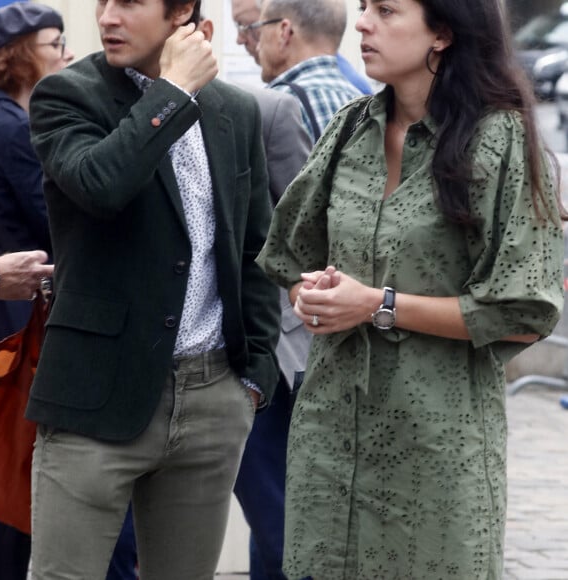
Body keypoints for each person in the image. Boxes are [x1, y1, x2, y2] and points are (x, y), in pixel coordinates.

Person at [256, 0, 567, 578]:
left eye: (388, 11)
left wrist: (378, 305)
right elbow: (292, 257)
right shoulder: (349, 129)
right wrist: (318, 295)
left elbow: (523, 312)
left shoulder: (501, 141)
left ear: (444, 32)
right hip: (329, 442)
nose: (365, 24)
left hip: (435, 448)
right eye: (365, 8)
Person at [27, 0, 280, 578]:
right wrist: (172, 92)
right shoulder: (67, 95)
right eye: (103, 2)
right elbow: (100, 186)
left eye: (130, 2)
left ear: (181, 13)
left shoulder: (237, 112)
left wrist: (253, 375)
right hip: (96, 392)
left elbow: (255, 247)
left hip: (214, 393)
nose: (108, 17)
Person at [200, 14, 313, 580]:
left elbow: (306, 236)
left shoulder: (268, 110)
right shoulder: (111, 119)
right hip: (161, 365)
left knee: (277, 520)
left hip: (258, 357)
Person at [0, 4, 73, 579]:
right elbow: (54, 224)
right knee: (17, 495)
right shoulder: (11, 127)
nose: (67, 56)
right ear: (18, 58)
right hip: (11, 327)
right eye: (55, 44)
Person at [255, 0, 363, 141]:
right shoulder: (363, 103)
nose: (258, 46)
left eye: (260, 30)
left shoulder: (274, 106)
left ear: (284, 32)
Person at [231, 0, 373, 96]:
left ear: (284, 32)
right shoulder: (359, 94)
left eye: (256, 27)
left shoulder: (275, 106)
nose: (239, 39)